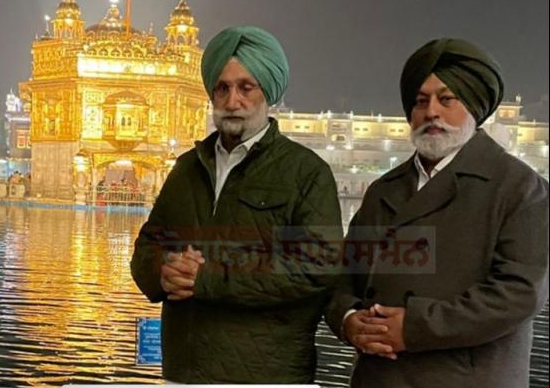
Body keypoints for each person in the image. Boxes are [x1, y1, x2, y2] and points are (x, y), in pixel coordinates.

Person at [326, 38, 549, 387]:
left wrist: (413, 328)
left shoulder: (519, 188)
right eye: (420, 101)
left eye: (447, 99)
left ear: (475, 106)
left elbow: (518, 294)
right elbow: (343, 277)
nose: (431, 112)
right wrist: (348, 319)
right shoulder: (385, 191)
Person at [131, 25, 343, 384]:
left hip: (266, 374)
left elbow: (315, 267)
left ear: (267, 93)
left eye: (246, 87)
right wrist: (163, 272)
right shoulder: (186, 169)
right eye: (223, 88)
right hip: (185, 372)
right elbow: (147, 247)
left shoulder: (305, 173)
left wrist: (208, 279)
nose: (233, 101)